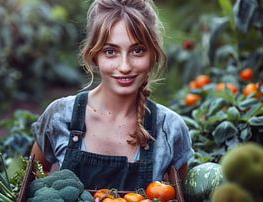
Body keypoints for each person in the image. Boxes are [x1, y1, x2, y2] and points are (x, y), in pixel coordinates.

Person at [30, 0, 194, 191]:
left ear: (153, 55)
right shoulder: (60, 116)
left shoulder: (170, 129)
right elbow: (30, 186)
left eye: (138, 50)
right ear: (94, 55)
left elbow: (180, 196)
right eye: (110, 51)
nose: (124, 66)